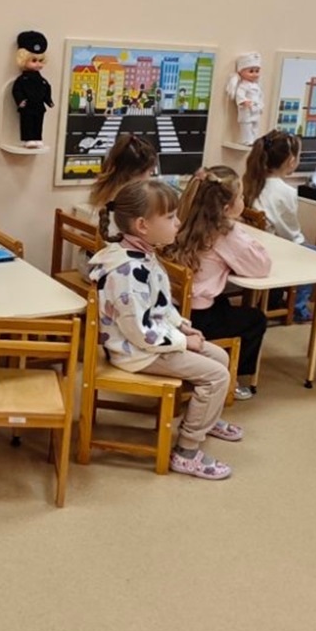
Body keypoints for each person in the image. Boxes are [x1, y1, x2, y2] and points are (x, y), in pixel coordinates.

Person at [88, 177, 238, 478]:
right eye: (170, 217)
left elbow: (159, 304)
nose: (178, 223)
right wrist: (182, 342)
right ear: (142, 225)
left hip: (151, 342)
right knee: (217, 376)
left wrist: (182, 326)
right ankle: (187, 452)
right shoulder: (127, 270)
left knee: (220, 358)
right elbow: (140, 331)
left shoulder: (142, 254)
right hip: (137, 352)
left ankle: (203, 417)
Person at [169, 166, 272, 401]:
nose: (244, 200)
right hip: (198, 318)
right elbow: (261, 267)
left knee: (223, 302)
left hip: (176, 309)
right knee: (255, 319)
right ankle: (233, 378)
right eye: (241, 197)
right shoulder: (225, 233)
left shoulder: (184, 218)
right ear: (226, 208)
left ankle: (209, 362)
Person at [241, 128, 314, 322]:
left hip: (255, 244)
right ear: (291, 161)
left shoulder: (251, 181)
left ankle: (277, 299)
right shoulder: (285, 191)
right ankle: (298, 307)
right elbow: (291, 234)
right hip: (273, 248)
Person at [76, 131, 158, 237]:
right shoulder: (126, 205)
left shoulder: (105, 191)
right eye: (150, 172)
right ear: (134, 173)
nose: (149, 178)